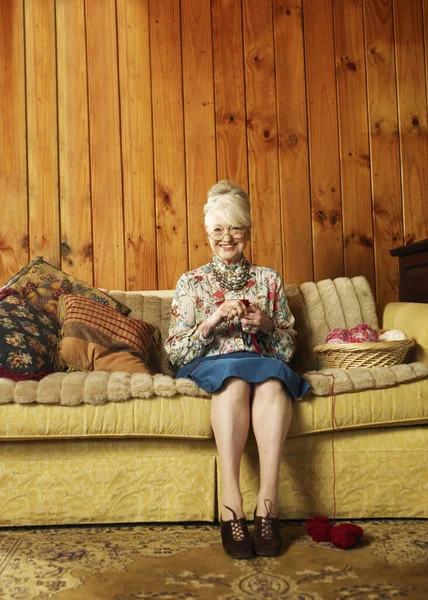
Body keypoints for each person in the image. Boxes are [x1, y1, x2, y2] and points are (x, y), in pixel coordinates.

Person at [165, 180, 310, 559]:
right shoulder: (190, 283)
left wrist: (265, 325)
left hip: (263, 363)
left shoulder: (269, 280)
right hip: (214, 366)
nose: (226, 237)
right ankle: (232, 505)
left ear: (248, 230)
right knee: (233, 383)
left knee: (274, 384)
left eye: (235, 228)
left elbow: (289, 349)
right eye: (218, 229)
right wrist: (211, 321)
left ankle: (268, 505)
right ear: (207, 233)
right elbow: (175, 354)